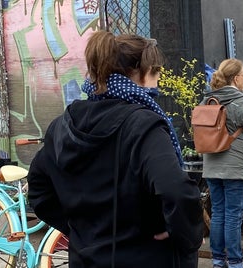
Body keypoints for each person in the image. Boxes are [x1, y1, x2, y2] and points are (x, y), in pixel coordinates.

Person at [27, 31, 204, 268]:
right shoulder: (144, 125)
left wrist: (80, 228)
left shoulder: (62, 125)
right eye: (156, 72)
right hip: (146, 256)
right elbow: (176, 190)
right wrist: (186, 236)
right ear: (139, 73)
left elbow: (38, 189)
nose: (158, 81)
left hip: (85, 258)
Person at [202, 59, 243, 268]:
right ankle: (236, 263)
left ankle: (219, 261)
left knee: (218, 212)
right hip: (235, 167)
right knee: (233, 216)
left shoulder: (207, 101)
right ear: (236, 78)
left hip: (211, 166)